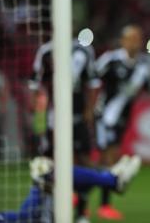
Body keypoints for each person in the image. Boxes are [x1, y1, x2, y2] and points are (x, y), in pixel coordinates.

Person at [95, 24, 150, 219]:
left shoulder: (144, 66)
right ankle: (101, 203)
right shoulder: (110, 60)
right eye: (131, 38)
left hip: (123, 117)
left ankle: (81, 192)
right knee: (108, 156)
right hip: (104, 116)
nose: (135, 42)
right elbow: (91, 81)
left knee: (106, 158)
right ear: (122, 41)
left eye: (138, 38)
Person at [29, 39, 99, 219]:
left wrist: (89, 110)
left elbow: (92, 84)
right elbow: (35, 87)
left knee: (85, 161)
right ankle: (47, 210)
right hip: (54, 119)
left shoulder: (84, 51)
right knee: (48, 162)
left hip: (78, 118)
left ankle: (82, 211)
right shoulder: (45, 51)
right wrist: (38, 117)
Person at [0, 155, 141, 223]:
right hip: (47, 212)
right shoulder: (32, 206)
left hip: (47, 202)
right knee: (62, 173)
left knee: (63, 174)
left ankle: (109, 178)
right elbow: (22, 216)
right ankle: (110, 179)